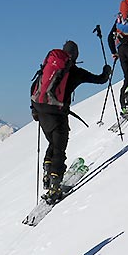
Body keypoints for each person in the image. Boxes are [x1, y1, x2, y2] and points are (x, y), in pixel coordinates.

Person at [30, 40, 110, 202]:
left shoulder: (49, 67)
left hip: (41, 110)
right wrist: (106, 70)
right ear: (76, 56)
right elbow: (100, 79)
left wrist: (35, 110)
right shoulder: (75, 72)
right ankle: (55, 187)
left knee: (52, 144)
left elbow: (34, 86)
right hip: (58, 115)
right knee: (59, 149)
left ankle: (48, 173)